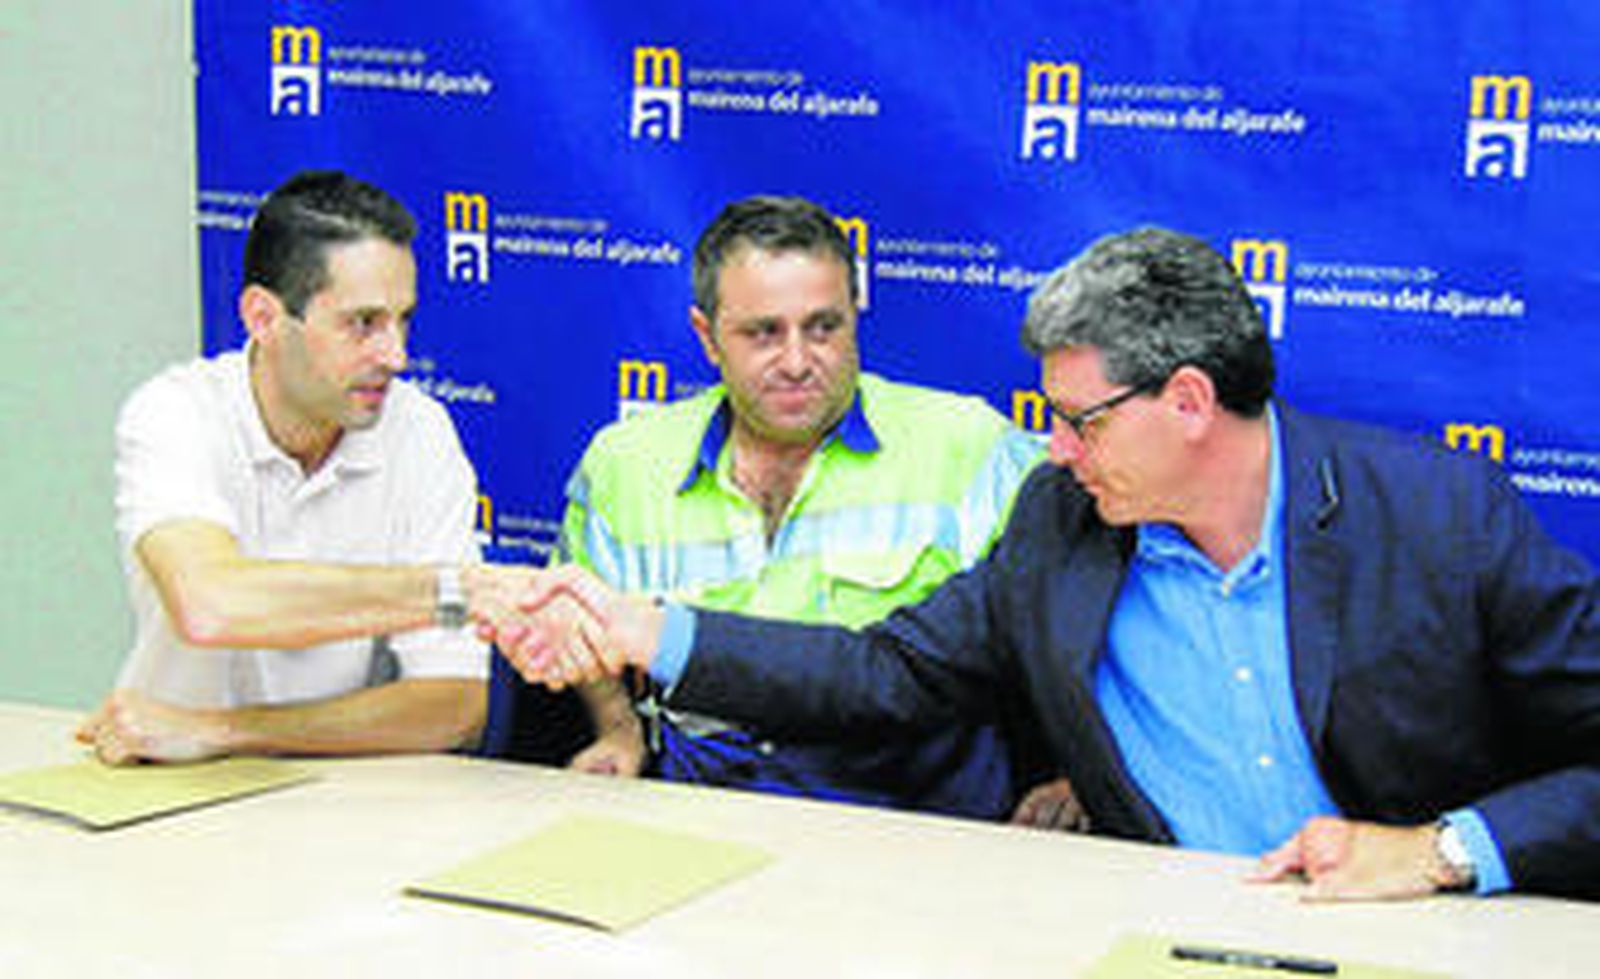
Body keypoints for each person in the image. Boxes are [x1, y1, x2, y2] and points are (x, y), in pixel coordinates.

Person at [491, 227, 1600, 902]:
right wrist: (647, 629)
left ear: (1188, 401)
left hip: (1414, 933)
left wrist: (1441, 852)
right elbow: (883, 674)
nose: (1056, 450)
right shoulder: (1058, 529)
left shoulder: (1436, 516)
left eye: (1081, 421)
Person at [553, 195, 1049, 819]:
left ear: (856, 316)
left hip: (912, 818)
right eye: (763, 333)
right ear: (707, 338)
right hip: (699, 814)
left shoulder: (968, 445)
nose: (797, 362)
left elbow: (1070, 622)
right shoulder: (625, 463)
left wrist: (1069, 772)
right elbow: (580, 622)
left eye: (823, 327)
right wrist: (618, 731)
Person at [79, 170, 516, 765]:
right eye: (363, 323)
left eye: (403, 320)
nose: (396, 355)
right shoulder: (175, 411)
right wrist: (452, 592)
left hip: (336, 795)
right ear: (263, 318)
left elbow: (456, 707)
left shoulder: (420, 430)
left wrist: (220, 731)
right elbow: (212, 605)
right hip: (160, 782)